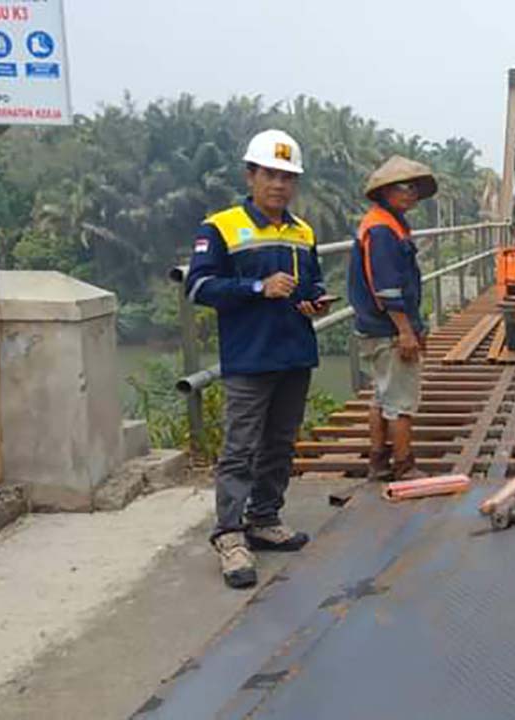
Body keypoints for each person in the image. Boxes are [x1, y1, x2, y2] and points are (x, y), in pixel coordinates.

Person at [185, 129, 331, 589]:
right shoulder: (222, 227)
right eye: (270, 174)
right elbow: (198, 287)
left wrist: (316, 300)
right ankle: (230, 534)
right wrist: (255, 287)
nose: (279, 185)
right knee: (241, 448)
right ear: (250, 175)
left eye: (288, 177)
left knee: (280, 444)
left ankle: (265, 518)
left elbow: (312, 284)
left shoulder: (301, 231)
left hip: (293, 352)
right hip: (249, 357)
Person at [348, 156, 438, 483]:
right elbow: (385, 286)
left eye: (414, 187)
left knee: (382, 394)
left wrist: (418, 324)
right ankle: (403, 465)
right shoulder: (383, 229)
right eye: (404, 186)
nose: (411, 192)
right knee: (401, 400)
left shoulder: (388, 222)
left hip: (376, 325)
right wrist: (405, 330)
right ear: (385, 191)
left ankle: (378, 462)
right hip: (388, 327)